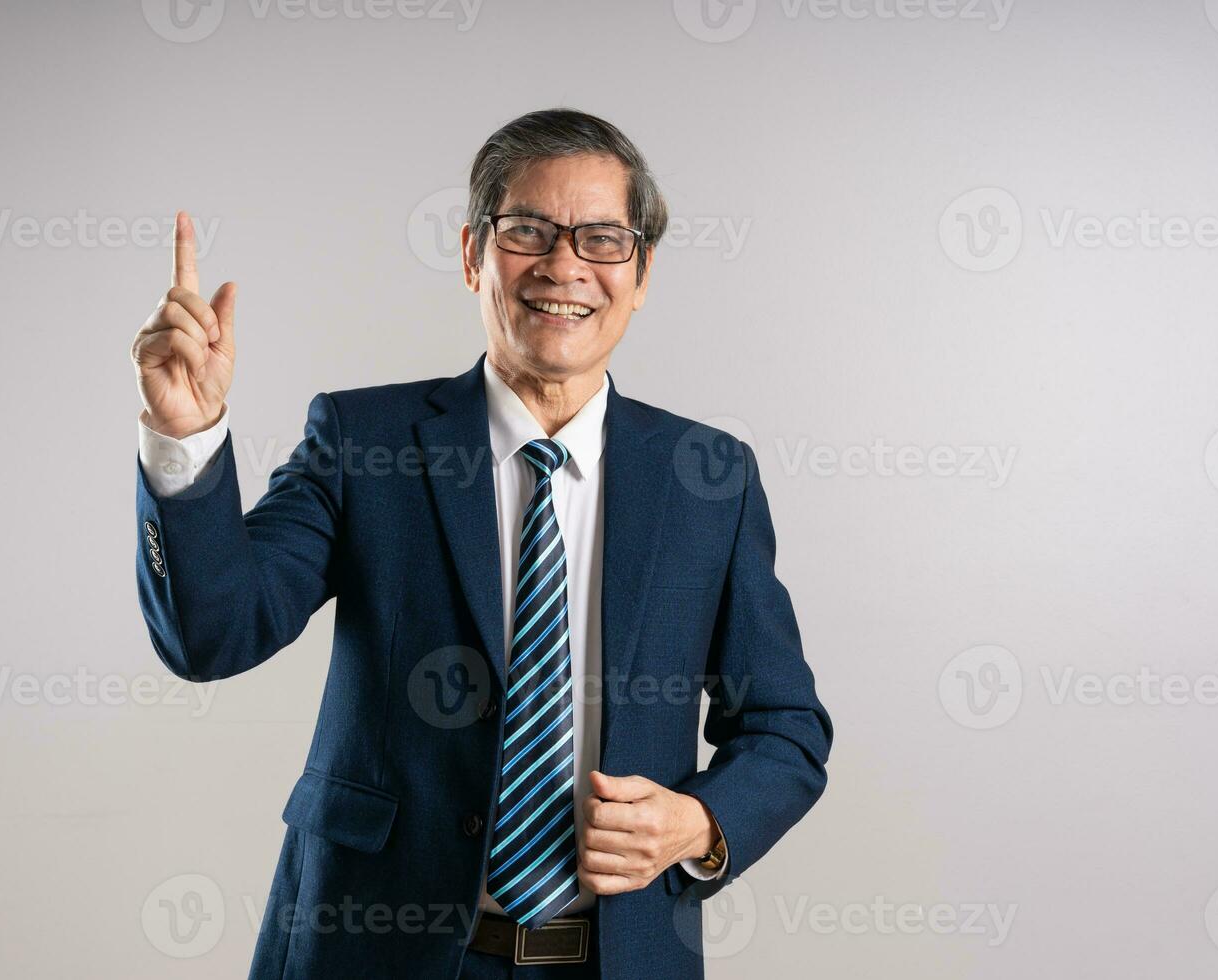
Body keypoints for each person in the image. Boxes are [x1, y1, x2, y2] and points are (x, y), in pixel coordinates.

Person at [129, 108, 832, 979]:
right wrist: (186, 441)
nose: (564, 265)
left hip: (618, 959)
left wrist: (700, 824)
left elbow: (785, 727)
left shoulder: (707, 476)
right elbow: (213, 634)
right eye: (528, 230)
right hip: (372, 954)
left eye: (603, 239)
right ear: (473, 254)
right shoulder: (363, 441)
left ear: (641, 273)